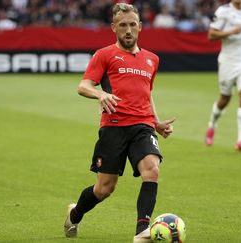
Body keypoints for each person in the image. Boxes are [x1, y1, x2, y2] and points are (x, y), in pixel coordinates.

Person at [64, 3, 175, 243]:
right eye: (122, 25)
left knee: (152, 169)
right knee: (104, 189)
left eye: (132, 25)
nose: (128, 30)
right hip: (113, 126)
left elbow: (147, 93)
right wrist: (100, 94)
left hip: (142, 126)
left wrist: (155, 122)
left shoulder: (151, 59)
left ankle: (142, 230)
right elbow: (83, 86)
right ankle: (75, 213)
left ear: (140, 27)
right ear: (114, 27)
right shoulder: (104, 55)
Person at [204, 0, 241, 151]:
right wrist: (230, 32)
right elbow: (211, 35)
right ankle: (212, 125)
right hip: (228, 62)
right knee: (224, 99)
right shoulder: (223, 12)